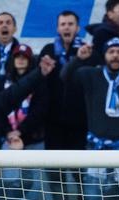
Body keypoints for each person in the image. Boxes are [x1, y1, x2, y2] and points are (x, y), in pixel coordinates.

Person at [39, 10, 85, 149]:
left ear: (77, 28)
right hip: (52, 118)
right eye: (63, 24)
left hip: (79, 119)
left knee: (78, 167)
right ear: (58, 28)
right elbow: (40, 82)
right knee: (54, 167)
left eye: (70, 24)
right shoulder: (48, 50)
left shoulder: (85, 51)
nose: (66, 27)